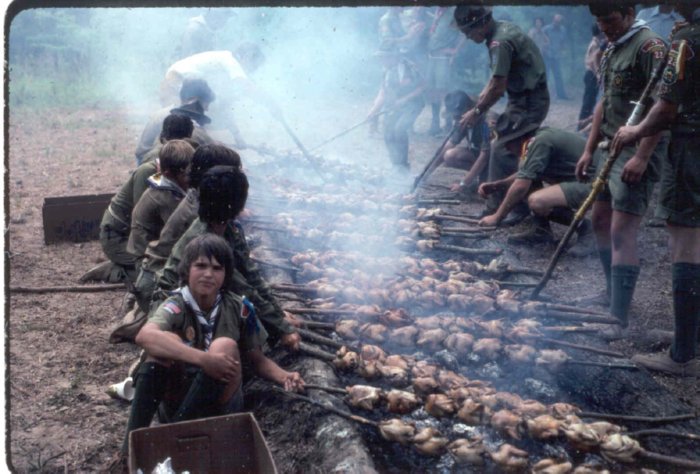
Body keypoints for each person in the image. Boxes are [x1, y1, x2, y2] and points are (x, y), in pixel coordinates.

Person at [121, 233, 305, 454]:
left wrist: (285, 376)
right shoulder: (176, 304)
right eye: (200, 266)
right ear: (187, 270)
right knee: (165, 342)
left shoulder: (239, 308)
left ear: (226, 274)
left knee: (224, 346)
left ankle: (177, 439)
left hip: (221, 406)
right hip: (178, 402)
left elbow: (257, 360)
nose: (208, 274)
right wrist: (204, 360)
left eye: (217, 268)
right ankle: (129, 450)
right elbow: (145, 336)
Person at [610, 3, 699, 376]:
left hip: (692, 146)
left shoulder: (688, 38)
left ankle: (683, 356)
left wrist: (635, 132)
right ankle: (690, 337)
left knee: (686, 240)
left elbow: (666, 109)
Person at [574, 4, 669, 339]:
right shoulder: (613, 46)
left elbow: (663, 107)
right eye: (599, 22)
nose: (604, 27)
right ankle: (609, 292)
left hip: (635, 149)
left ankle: (619, 317)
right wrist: (589, 149)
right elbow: (604, 101)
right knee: (599, 221)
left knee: (621, 231)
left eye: (610, 20)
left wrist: (642, 156)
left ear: (629, 13)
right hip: (609, 147)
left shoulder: (650, 47)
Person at [156, 166, 302, 351]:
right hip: (176, 300)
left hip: (201, 294)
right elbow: (243, 289)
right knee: (238, 310)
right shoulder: (206, 241)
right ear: (236, 204)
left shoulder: (228, 227)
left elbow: (251, 274)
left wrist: (279, 314)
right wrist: (282, 328)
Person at [454, 4, 549, 221]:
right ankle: (521, 207)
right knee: (517, 150)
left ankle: (499, 207)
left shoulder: (500, 42)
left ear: (480, 24)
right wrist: (483, 93)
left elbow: (498, 86)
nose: (468, 37)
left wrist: (477, 110)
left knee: (502, 149)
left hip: (528, 101)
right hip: (525, 98)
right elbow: (497, 77)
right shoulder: (502, 29)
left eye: (468, 31)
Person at [83, 115, 196, 285]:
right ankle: (115, 270)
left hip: (140, 235)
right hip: (118, 236)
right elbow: (140, 218)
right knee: (163, 277)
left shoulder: (180, 159)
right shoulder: (151, 170)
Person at [132, 143, 241, 313]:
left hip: (164, 276)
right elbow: (229, 273)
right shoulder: (198, 213)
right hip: (159, 289)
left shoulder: (200, 199)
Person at [477, 118, 597, 257]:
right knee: (530, 180)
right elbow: (525, 173)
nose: (507, 149)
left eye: (507, 144)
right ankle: (541, 230)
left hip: (596, 185)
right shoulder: (534, 140)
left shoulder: (540, 142)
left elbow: (521, 186)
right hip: (581, 181)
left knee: (537, 201)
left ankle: (588, 229)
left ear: (517, 139)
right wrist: (499, 184)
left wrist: (497, 217)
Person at [160, 42, 278, 150]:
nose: (252, 70)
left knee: (182, 130)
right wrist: (270, 103)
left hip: (174, 83)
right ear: (247, 57)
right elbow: (247, 87)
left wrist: (238, 137)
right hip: (176, 81)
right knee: (178, 131)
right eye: (254, 66)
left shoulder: (223, 67)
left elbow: (224, 108)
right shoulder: (230, 61)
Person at [127, 140, 194, 266]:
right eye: (186, 174)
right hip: (146, 258)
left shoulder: (169, 184)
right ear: (168, 173)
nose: (190, 178)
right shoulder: (164, 196)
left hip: (154, 248)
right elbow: (179, 233)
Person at [367, 44, 425, 171]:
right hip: (395, 105)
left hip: (413, 104)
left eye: (384, 57)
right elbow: (383, 92)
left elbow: (421, 86)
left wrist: (404, 99)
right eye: (381, 57)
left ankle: (403, 165)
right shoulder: (386, 70)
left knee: (399, 129)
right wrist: (373, 111)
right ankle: (395, 164)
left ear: (394, 57)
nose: (382, 60)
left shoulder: (408, 67)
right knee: (388, 131)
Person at [135, 78, 215, 165]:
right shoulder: (196, 129)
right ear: (193, 99)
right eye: (206, 103)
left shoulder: (159, 115)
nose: (207, 109)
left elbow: (140, 152)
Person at [424, 90, 490, 193]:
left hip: (495, 160)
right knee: (449, 155)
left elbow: (484, 156)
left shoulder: (487, 123)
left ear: (469, 109)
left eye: (459, 116)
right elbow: (447, 147)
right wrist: (426, 173)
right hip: (478, 153)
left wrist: (464, 183)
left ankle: (488, 176)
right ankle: (481, 176)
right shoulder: (462, 120)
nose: (457, 120)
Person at [425, 7, 464, 135]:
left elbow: (464, 33)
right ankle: (435, 123)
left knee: (444, 91)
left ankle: (448, 125)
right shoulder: (438, 11)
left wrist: (455, 51)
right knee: (432, 91)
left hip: (444, 58)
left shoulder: (453, 13)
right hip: (432, 57)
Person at [578, 23, 607, 131]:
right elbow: (592, 62)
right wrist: (598, 74)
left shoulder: (598, 42)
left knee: (591, 100)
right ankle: (581, 126)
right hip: (591, 75)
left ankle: (585, 126)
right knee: (588, 102)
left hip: (592, 75)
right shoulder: (595, 44)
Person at [542, 13, 571, 100]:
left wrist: (563, 51)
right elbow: (540, 40)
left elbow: (563, 42)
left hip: (556, 56)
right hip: (547, 56)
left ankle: (561, 95)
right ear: (553, 20)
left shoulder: (563, 30)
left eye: (558, 22)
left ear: (561, 22)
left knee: (558, 76)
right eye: (555, 21)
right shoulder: (546, 29)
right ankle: (542, 95)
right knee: (545, 76)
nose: (556, 23)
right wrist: (543, 49)